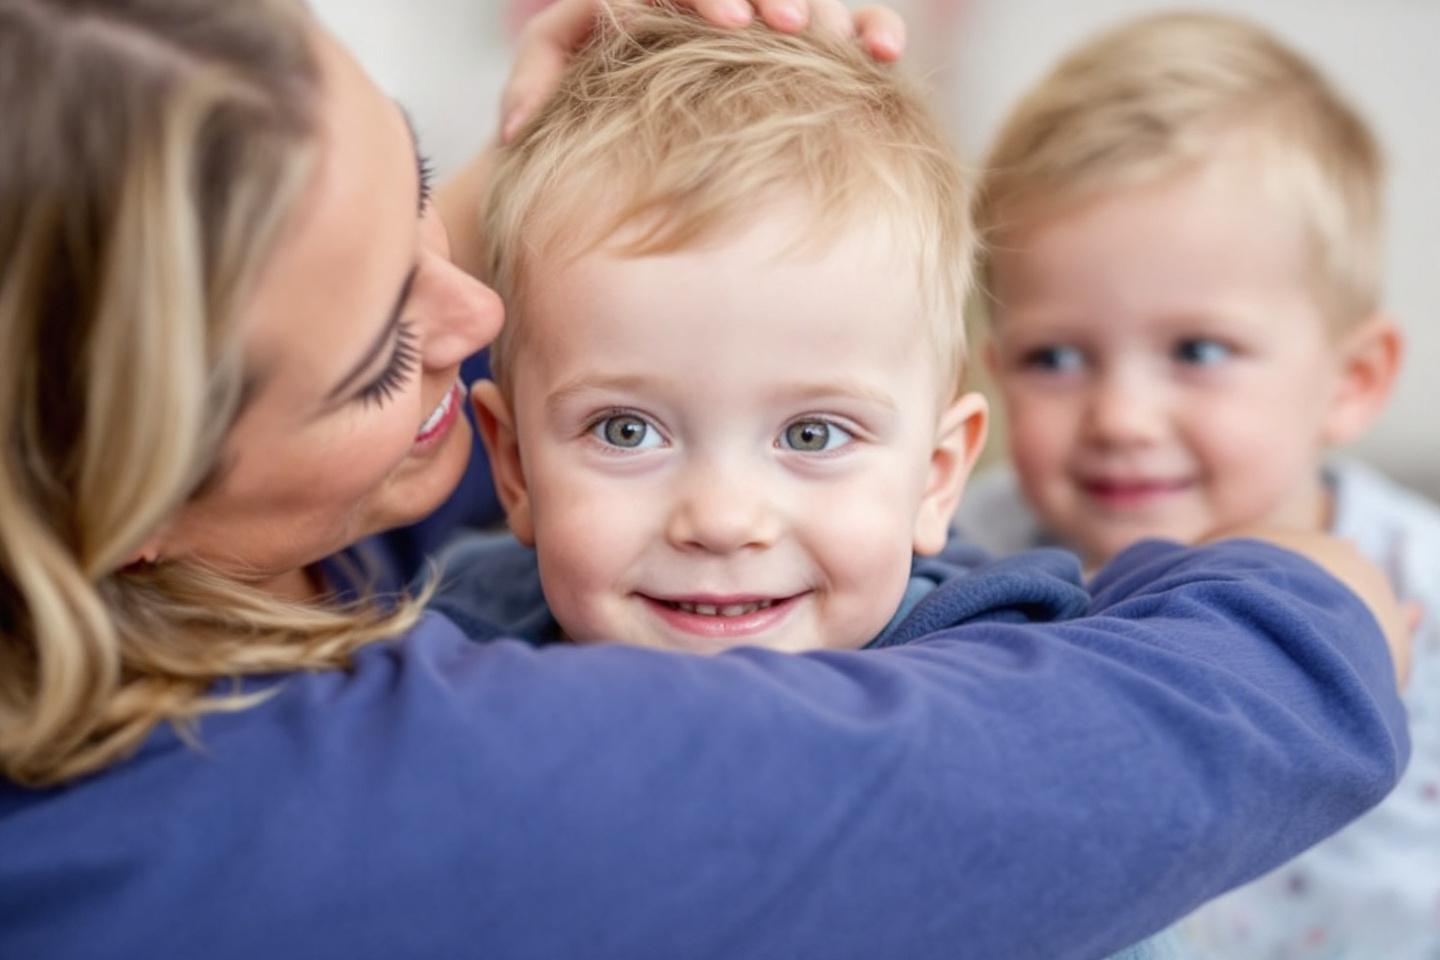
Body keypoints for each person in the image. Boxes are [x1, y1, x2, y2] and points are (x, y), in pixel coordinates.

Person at [0, 2, 1412, 958]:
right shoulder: (260, 798)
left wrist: (575, 160)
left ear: (941, 472)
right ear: (122, 506)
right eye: (383, 356)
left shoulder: (1010, 613)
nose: (479, 314)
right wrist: (1311, 610)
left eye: (425, 189)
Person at [953, 11, 1440, 958]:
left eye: (1198, 351)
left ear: (1353, 381)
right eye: (1055, 357)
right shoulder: (969, 561)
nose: (1122, 417)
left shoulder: (1418, 580)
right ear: (995, 370)